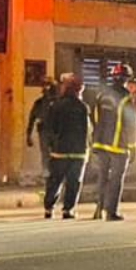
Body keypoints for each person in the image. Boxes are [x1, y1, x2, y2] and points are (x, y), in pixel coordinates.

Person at [89, 63, 136, 221]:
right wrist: (133, 148)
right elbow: (131, 125)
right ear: (126, 79)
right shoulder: (126, 99)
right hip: (119, 146)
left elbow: (95, 117)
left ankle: (98, 209)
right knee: (116, 179)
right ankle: (111, 212)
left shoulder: (102, 95)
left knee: (102, 176)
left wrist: (96, 139)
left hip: (101, 143)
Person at [42, 73, 90, 220]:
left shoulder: (56, 106)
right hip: (78, 152)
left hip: (59, 151)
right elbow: (87, 130)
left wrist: (51, 145)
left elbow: (49, 128)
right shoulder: (83, 107)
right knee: (73, 182)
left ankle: (49, 208)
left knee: (55, 180)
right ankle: (68, 210)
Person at [26, 79, 59, 183]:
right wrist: (28, 135)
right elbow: (32, 118)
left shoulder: (59, 102)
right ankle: (47, 175)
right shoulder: (39, 103)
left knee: (56, 154)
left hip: (57, 132)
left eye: (49, 87)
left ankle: (55, 175)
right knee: (45, 153)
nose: (46, 90)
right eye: (44, 87)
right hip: (44, 131)